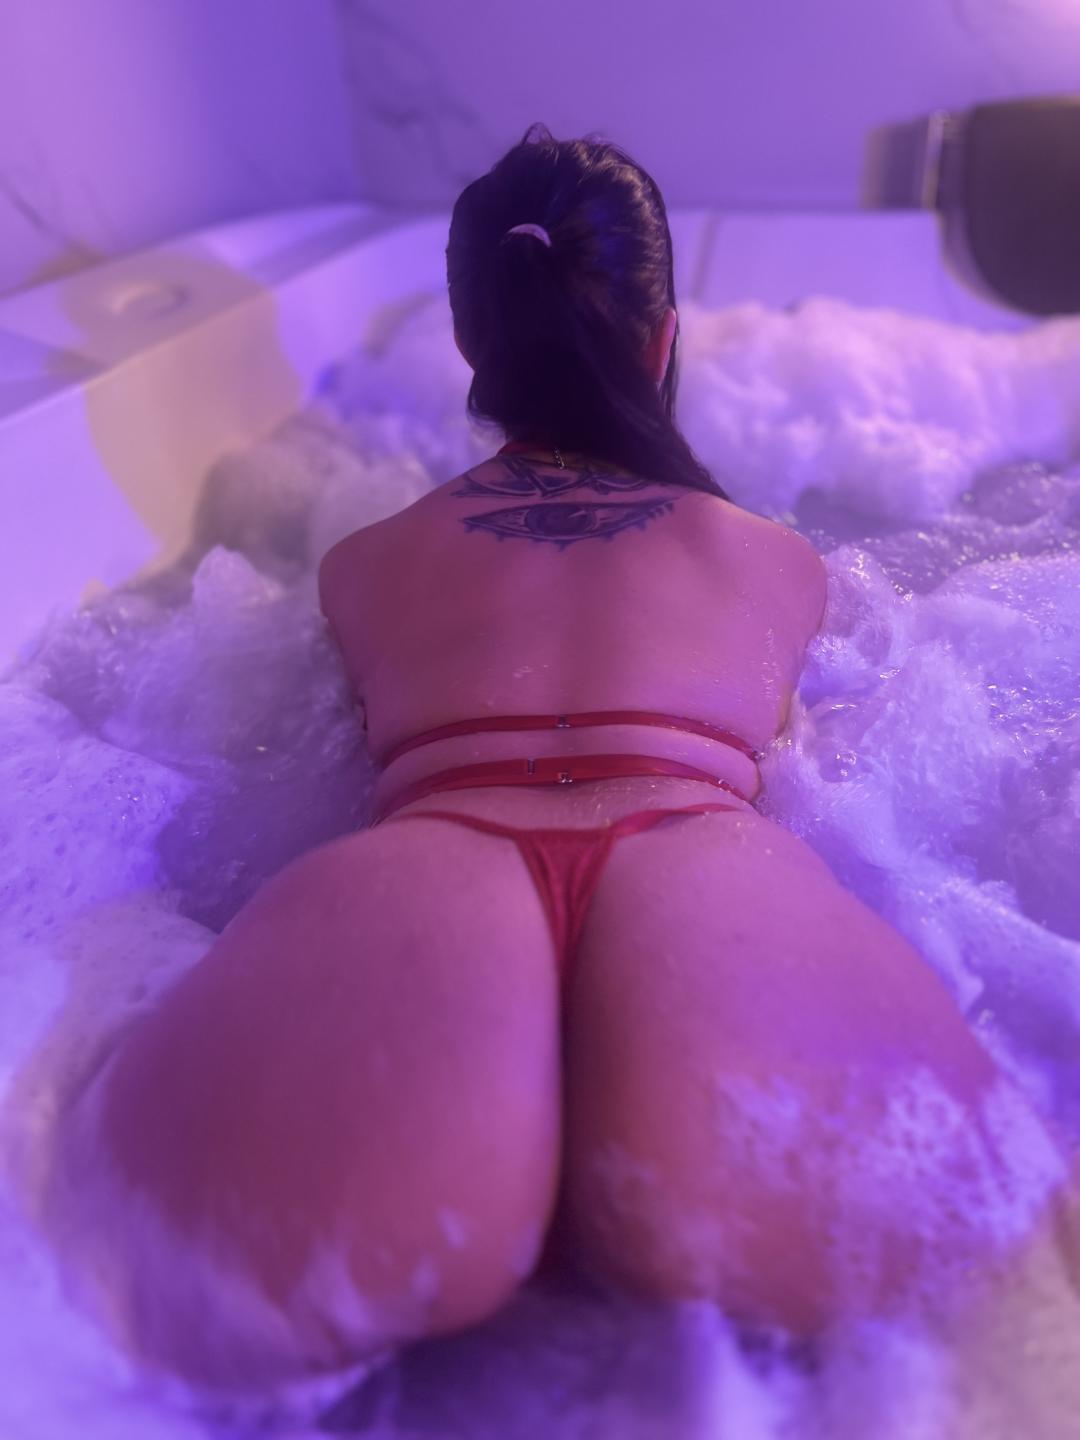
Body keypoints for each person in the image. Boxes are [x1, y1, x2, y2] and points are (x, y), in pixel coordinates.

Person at [42, 123, 1068, 1392]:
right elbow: (845, 756)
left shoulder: (366, 563)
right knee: (1006, 1290)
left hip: (420, 868)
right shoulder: (772, 558)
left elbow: (301, 741)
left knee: (116, 1297)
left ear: (473, 345)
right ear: (661, 339)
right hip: (714, 871)